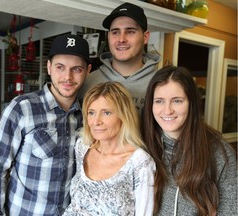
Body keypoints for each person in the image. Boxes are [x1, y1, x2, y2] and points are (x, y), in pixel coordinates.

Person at [0, 34, 92, 215]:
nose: (67, 77)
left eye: (77, 69)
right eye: (60, 67)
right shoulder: (22, 108)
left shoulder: (89, 115)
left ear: (88, 71)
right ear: (48, 67)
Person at [141, 65, 237, 215]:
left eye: (177, 101)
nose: (167, 110)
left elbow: (232, 210)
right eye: (159, 101)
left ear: (191, 103)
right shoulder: (142, 148)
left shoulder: (220, 153)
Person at [63, 81, 156, 216]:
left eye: (106, 113)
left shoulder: (140, 162)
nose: (96, 121)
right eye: (91, 112)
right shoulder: (82, 147)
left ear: (123, 116)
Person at [79, 2, 161, 113]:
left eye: (130, 31)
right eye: (115, 32)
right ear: (108, 36)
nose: (121, 39)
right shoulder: (87, 82)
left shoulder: (161, 82)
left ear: (145, 37)